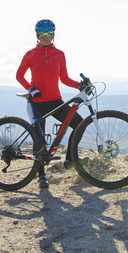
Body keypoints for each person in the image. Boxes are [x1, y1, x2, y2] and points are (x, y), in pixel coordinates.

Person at [15, 18, 91, 189]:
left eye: (49, 34)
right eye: (43, 34)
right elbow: (19, 75)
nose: (46, 37)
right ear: (37, 36)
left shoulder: (60, 55)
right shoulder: (31, 55)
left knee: (79, 124)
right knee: (39, 140)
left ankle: (70, 159)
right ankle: (41, 176)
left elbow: (64, 78)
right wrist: (30, 87)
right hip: (37, 102)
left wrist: (78, 85)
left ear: (53, 35)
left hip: (55, 101)